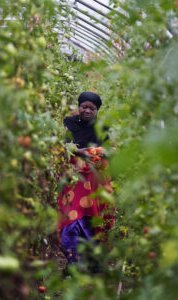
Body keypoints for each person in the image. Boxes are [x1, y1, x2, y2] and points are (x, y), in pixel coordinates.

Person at [57, 92, 114, 271]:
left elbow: (111, 150)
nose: (87, 110)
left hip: (96, 178)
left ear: (97, 111)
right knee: (72, 216)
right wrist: (79, 152)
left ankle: (95, 261)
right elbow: (62, 145)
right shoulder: (68, 123)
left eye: (92, 108)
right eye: (84, 107)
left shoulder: (103, 128)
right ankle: (74, 263)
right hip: (75, 179)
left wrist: (99, 152)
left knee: (96, 216)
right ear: (78, 107)